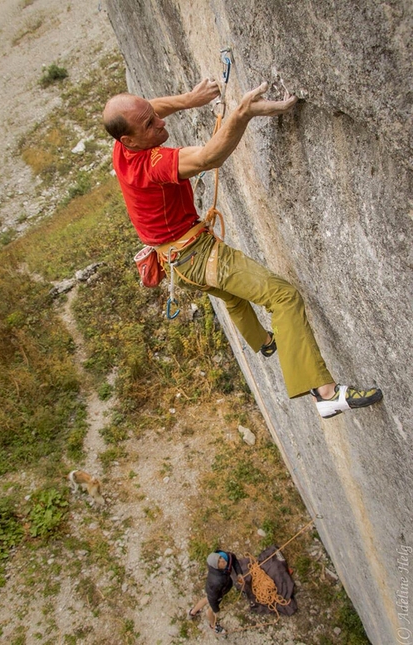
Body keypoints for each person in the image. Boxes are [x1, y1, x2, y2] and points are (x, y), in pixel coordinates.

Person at [102, 78, 383, 419]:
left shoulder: (123, 147)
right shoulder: (154, 165)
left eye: (153, 116)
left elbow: (152, 108)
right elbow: (208, 157)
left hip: (176, 261)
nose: (161, 123)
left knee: (232, 295)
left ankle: (263, 342)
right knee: (283, 297)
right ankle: (324, 393)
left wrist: (190, 100)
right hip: (197, 256)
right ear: (129, 139)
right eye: (150, 125)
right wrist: (242, 114)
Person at [188, 550, 244, 634]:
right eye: (218, 562)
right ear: (216, 566)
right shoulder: (216, 581)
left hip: (216, 591)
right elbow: (212, 597)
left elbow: (233, 560)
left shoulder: (226, 557)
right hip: (216, 594)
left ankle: (193, 612)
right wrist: (216, 610)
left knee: (206, 598)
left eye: (220, 558)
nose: (222, 560)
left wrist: (239, 573)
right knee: (210, 610)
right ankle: (213, 625)